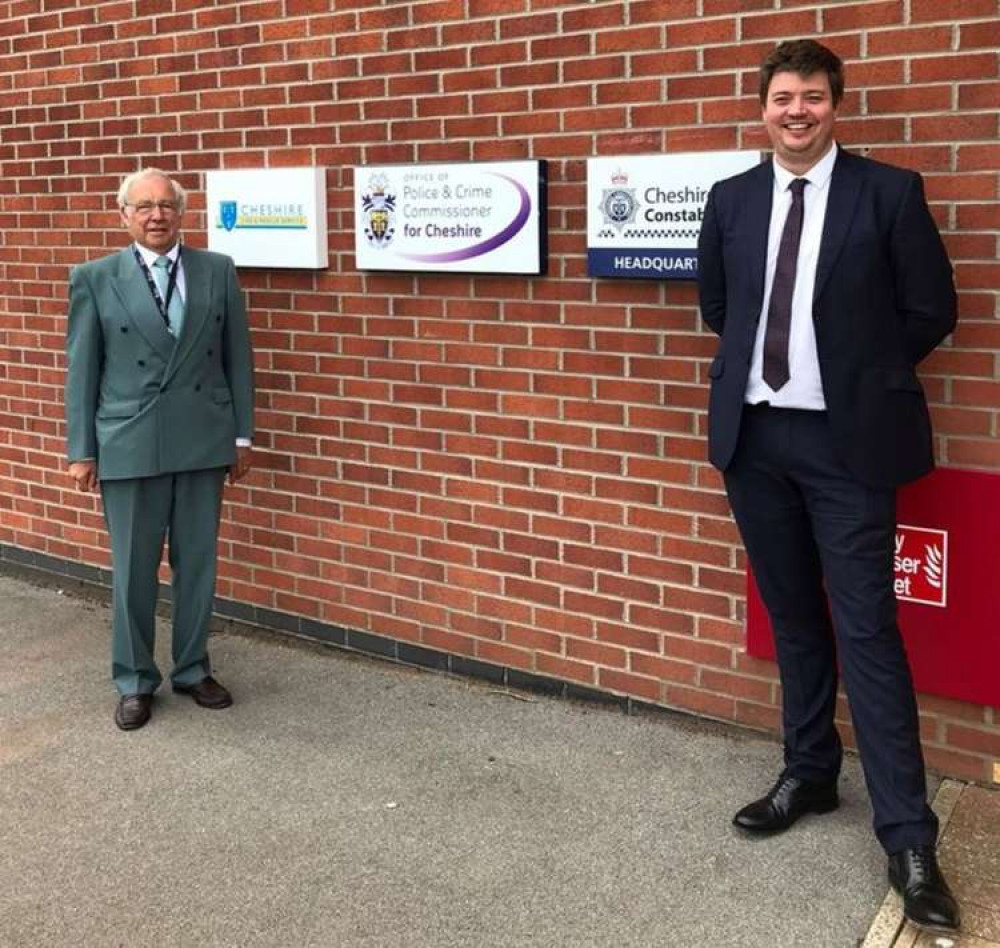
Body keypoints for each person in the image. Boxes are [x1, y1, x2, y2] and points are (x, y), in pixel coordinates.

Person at [697, 40, 959, 933]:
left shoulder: (887, 192)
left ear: (835, 106)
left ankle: (909, 837)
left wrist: (857, 376)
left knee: (867, 630)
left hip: (848, 447)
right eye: (782, 97)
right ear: (762, 108)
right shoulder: (732, 200)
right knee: (794, 618)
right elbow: (719, 308)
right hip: (755, 439)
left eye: (812, 96)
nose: (796, 110)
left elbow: (932, 308)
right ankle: (809, 773)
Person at [65, 168, 255, 732]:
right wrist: (82, 449)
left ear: (181, 211)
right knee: (133, 570)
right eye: (143, 206)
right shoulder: (95, 277)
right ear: (124, 215)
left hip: (202, 437)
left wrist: (241, 435)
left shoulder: (216, 270)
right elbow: (83, 371)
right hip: (128, 440)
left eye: (166, 205)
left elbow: (236, 356)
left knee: (197, 563)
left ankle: (194, 669)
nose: (156, 215)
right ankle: (134, 679)